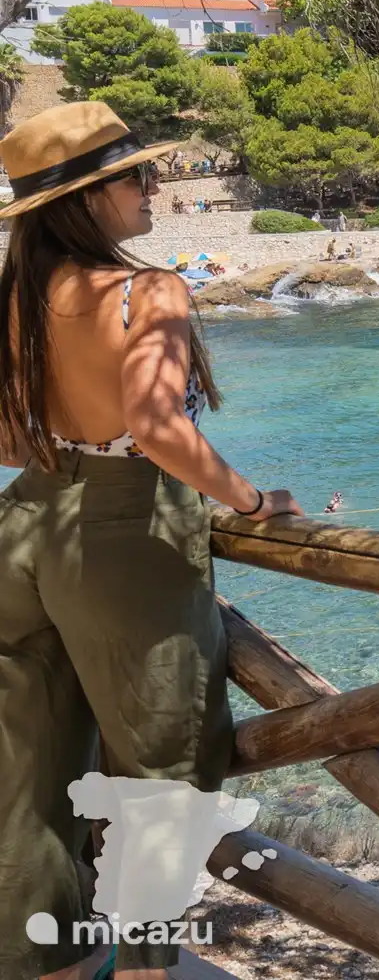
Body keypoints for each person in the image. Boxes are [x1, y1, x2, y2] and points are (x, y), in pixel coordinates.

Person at [0, 103, 300, 980]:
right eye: (137, 176)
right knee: (162, 771)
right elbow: (155, 423)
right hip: (125, 545)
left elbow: (10, 443)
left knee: (26, 775)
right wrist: (246, 501)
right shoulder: (149, 289)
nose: (155, 186)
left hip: (25, 527)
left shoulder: (17, 300)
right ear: (88, 199)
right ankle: (143, 966)